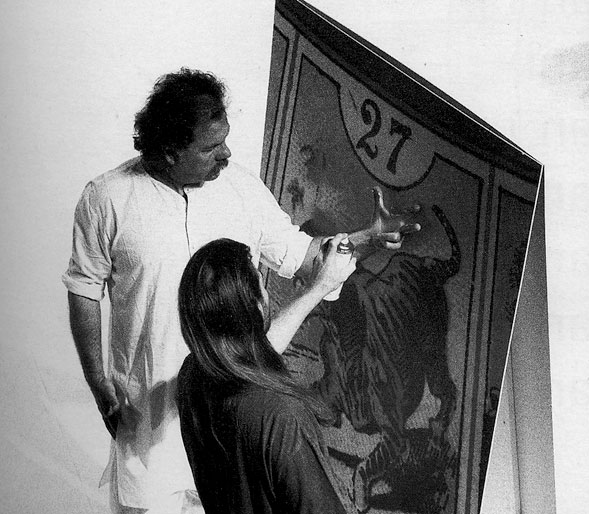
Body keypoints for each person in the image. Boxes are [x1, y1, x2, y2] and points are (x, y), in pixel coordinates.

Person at [63, 67, 417, 513]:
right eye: (210, 147)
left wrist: (368, 238)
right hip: (150, 440)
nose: (226, 154)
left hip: (232, 440)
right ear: (170, 151)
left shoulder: (242, 188)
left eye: (225, 140)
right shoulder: (106, 198)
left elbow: (304, 257)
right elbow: (84, 287)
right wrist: (98, 381)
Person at [176, 236, 356, 514]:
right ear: (257, 307)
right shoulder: (281, 417)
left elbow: (244, 352)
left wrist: (319, 288)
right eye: (262, 284)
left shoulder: (192, 376)